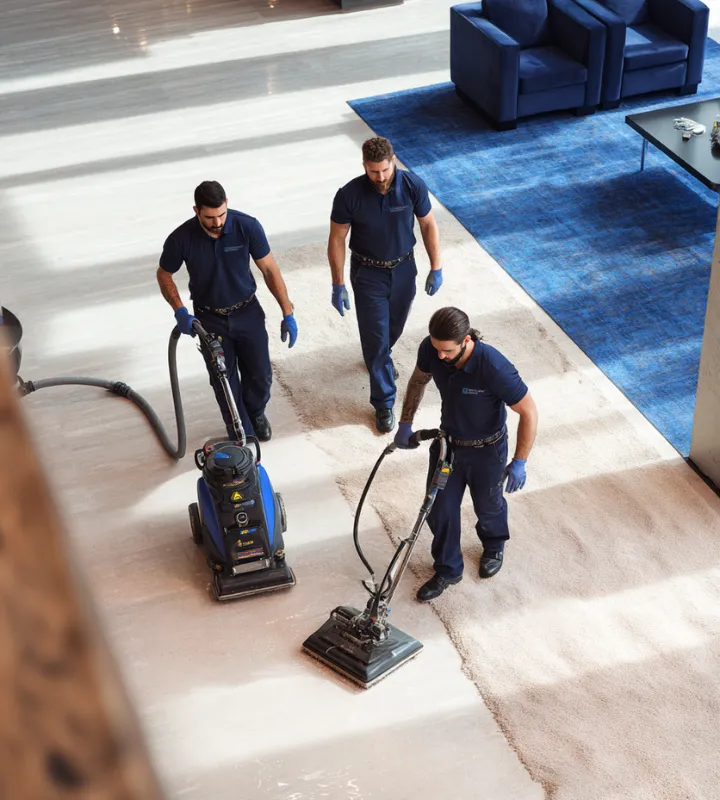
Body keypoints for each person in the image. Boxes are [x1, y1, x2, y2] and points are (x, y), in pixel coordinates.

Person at [394, 307, 538, 602]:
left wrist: (520, 461)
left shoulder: (493, 367)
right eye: (437, 349)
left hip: (487, 451)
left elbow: (529, 411)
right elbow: (418, 380)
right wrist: (406, 423)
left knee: (489, 506)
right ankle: (448, 569)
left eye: (447, 351)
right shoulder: (432, 349)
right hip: (448, 447)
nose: (441, 356)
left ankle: (494, 543)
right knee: (439, 510)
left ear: (467, 340)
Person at [156, 180, 297, 442]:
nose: (218, 222)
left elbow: (269, 269)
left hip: (247, 311)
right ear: (196, 210)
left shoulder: (247, 226)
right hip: (209, 319)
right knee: (223, 379)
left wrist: (287, 311)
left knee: (261, 374)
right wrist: (180, 310)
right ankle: (240, 428)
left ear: (227, 205)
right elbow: (164, 275)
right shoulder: (181, 238)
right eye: (209, 217)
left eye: (221, 214)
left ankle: (255, 412)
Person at [328, 136, 443, 434]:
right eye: (373, 171)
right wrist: (338, 282)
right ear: (364, 166)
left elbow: (428, 224)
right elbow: (337, 238)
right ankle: (384, 402)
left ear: (394, 161)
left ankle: (378, 355)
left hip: (405, 268)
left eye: (385, 170)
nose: (380, 177)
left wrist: (436, 267)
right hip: (368, 273)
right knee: (377, 338)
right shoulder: (348, 195)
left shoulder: (413, 186)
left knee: (393, 328)